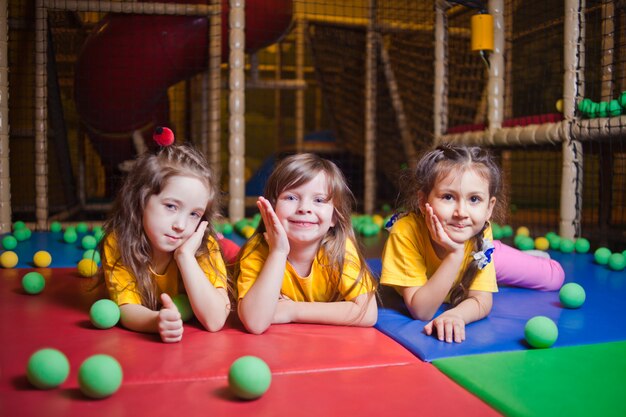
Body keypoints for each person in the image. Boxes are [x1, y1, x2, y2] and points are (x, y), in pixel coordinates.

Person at [380, 144, 564, 344]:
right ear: (424, 201)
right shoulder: (406, 233)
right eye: (448, 197)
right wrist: (455, 254)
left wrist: (458, 314)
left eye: (474, 199)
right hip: (461, 262)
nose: (461, 213)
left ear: (489, 208)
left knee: (554, 278)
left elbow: (481, 300)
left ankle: (525, 257)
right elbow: (422, 311)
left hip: (476, 259)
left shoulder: (479, 231)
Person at [101, 136, 230, 343]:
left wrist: (185, 256)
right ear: (140, 200)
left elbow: (215, 321)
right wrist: (156, 320)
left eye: (194, 214)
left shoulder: (204, 246)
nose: (181, 224)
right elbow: (126, 307)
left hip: (227, 255)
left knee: (231, 252)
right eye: (171, 206)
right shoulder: (119, 242)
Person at [236, 153, 378, 334]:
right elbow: (255, 322)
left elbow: (367, 312)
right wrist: (278, 253)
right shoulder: (257, 250)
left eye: (319, 200)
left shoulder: (340, 249)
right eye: (291, 198)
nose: (304, 208)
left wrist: (292, 310)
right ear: (271, 207)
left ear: (334, 216)